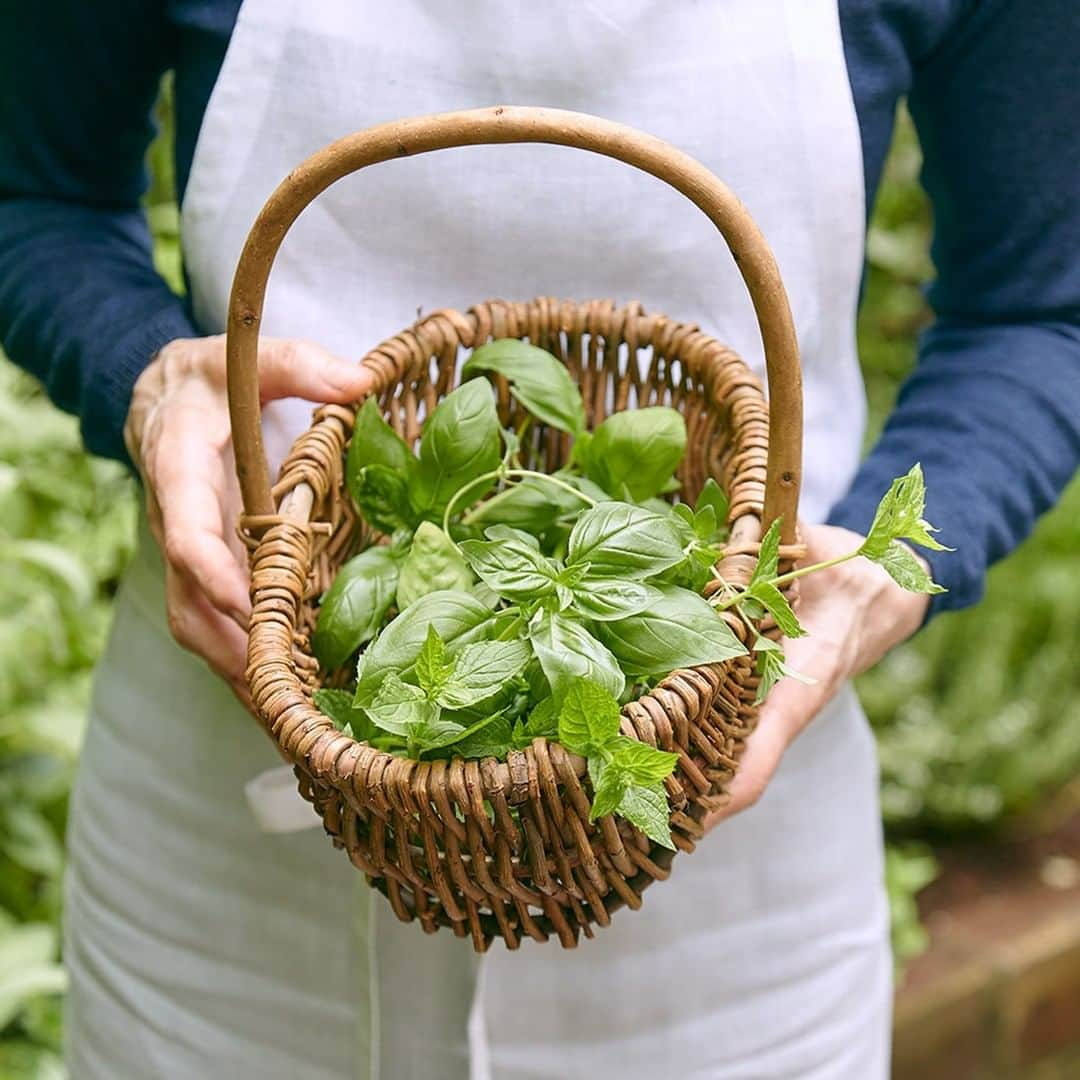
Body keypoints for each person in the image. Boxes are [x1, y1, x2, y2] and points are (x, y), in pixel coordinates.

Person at [2, 2, 1078, 1077]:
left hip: (725, 872)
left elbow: (1043, 310)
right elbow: (32, 190)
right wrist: (144, 379)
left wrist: (885, 565)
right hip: (224, 856)